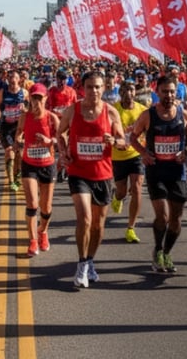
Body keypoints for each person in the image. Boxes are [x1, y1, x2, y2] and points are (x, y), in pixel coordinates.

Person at [56, 69, 126, 288]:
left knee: (98, 225)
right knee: (85, 218)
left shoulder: (111, 112)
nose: (93, 91)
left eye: (97, 87)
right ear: (82, 88)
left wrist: (114, 141)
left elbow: (123, 141)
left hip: (103, 174)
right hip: (78, 172)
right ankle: (81, 264)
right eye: (89, 87)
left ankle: (90, 261)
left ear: (103, 88)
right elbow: (60, 134)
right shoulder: (73, 110)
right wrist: (64, 152)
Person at [130, 74, 187, 274]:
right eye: (165, 91)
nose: (169, 95)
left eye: (172, 91)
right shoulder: (148, 115)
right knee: (163, 215)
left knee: (176, 218)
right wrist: (143, 154)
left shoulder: (184, 115)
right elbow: (133, 137)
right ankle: (158, 250)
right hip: (156, 171)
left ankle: (167, 252)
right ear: (157, 92)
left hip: (177, 172)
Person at [16, 83, 59, 256]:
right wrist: (17, 141)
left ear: (45, 99)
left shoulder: (51, 118)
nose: (36, 101)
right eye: (33, 98)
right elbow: (18, 133)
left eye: (39, 98)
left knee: (46, 207)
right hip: (29, 164)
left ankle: (43, 232)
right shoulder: (24, 117)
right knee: (32, 204)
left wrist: (49, 142)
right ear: (29, 99)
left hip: (47, 164)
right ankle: (33, 240)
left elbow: (61, 139)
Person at [110, 80, 147, 243]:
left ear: (135, 92)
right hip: (117, 156)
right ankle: (117, 197)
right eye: (125, 90)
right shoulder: (113, 111)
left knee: (137, 188)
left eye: (131, 90)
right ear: (120, 93)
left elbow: (149, 130)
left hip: (136, 154)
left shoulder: (143, 111)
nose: (128, 93)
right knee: (122, 191)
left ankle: (131, 228)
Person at [0, 68, 28, 193]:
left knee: (19, 153)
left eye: (15, 77)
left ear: (19, 79)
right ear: (8, 79)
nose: (13, 80)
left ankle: (17, 176)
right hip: (5, 127)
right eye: (11, 78)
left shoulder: (24, 93)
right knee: (9, 151)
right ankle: (11, 181)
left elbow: (29, 108)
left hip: (19, 127)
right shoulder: (1, 93)